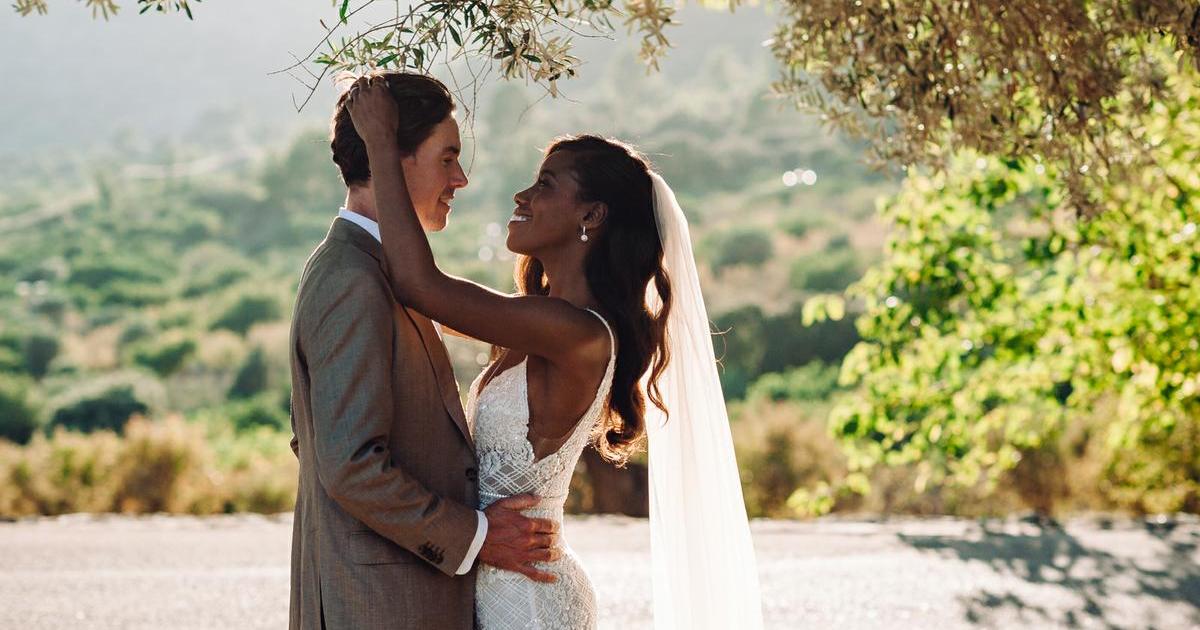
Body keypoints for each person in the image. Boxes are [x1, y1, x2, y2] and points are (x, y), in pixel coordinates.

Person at [346, 73, 764, 629]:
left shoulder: (577, 333)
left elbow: (421, 284)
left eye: (545, 184)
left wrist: (380, 143)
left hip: (531, 601)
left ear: (591, 216)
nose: (522, 196)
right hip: (501, 582)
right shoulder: (535, 321)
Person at [287, 72, 560, 630]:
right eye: (447, 157)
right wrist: (477, 536)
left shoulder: (376, 270)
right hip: (377, 606)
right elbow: (349, 464)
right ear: (394, 159)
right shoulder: (351, 279)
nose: (460, 178)